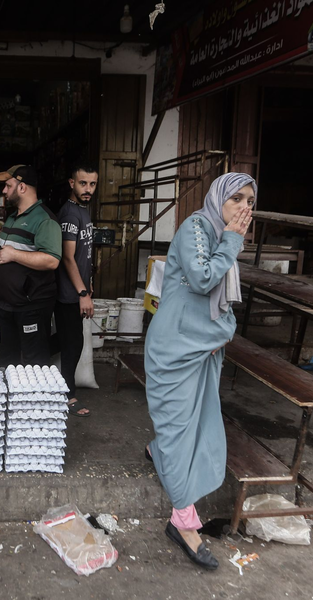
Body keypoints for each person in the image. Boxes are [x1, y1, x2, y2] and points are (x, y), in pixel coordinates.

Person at [145, 173, 255, 571]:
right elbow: (203, 277)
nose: (243, 208)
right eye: (236, 198)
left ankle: (157, 450)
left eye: (250, 201)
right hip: (174, 349)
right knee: (179, 427)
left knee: (196, 423)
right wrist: (232, 240)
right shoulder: (197, 227)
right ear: (218, 197)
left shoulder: (222, 235)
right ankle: (183, 521)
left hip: (201, 347)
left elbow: (220, 300)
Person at [0, 165, 62, 367]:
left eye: (8, 185)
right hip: (6, 304)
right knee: (7, 359)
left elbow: (51, 260)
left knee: (34, 363)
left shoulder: (44, 220)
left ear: (22, 187)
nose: (4, 190)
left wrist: (14, 254)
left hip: (31, 306)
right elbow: (3, 255)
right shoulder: (12, 218)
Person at [55, 164, 99, 417]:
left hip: (78, 287)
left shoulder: (82, 209)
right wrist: (82, 293)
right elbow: (68, 257)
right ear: (72, 183)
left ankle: (31, 362)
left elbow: (83, 254)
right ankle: (67, 395)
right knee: (72, 343)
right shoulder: (70, 214)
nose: (88, 189)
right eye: (83, 183)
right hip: (68, 292)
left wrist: (87, 282)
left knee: (69, 340)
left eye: (92, 184)